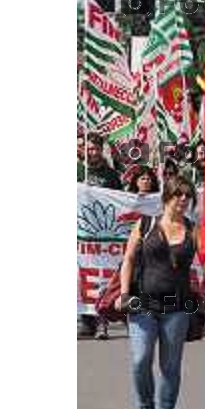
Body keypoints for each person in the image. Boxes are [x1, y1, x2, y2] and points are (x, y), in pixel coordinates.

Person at [116, 175, 205, 409]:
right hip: (143, 305)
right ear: (167, 197)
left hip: (178, 307)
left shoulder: (194, 229)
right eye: (179, 195)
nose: (184, 200)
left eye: (188, 196)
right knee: (140, 361)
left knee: (170, 366)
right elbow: (128, 259)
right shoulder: (145, 224)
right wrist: (125, 293)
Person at [78, 133, 123, 338]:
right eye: (87, 148)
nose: (91, 152)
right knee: (82, 274)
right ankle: (86, 320)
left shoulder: (111, 175)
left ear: (100, 149)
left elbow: (119, 200)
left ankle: (102, 317)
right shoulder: (77, 170)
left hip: (103, 232)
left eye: (95, 148)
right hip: (80, 231)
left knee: (101, 273)